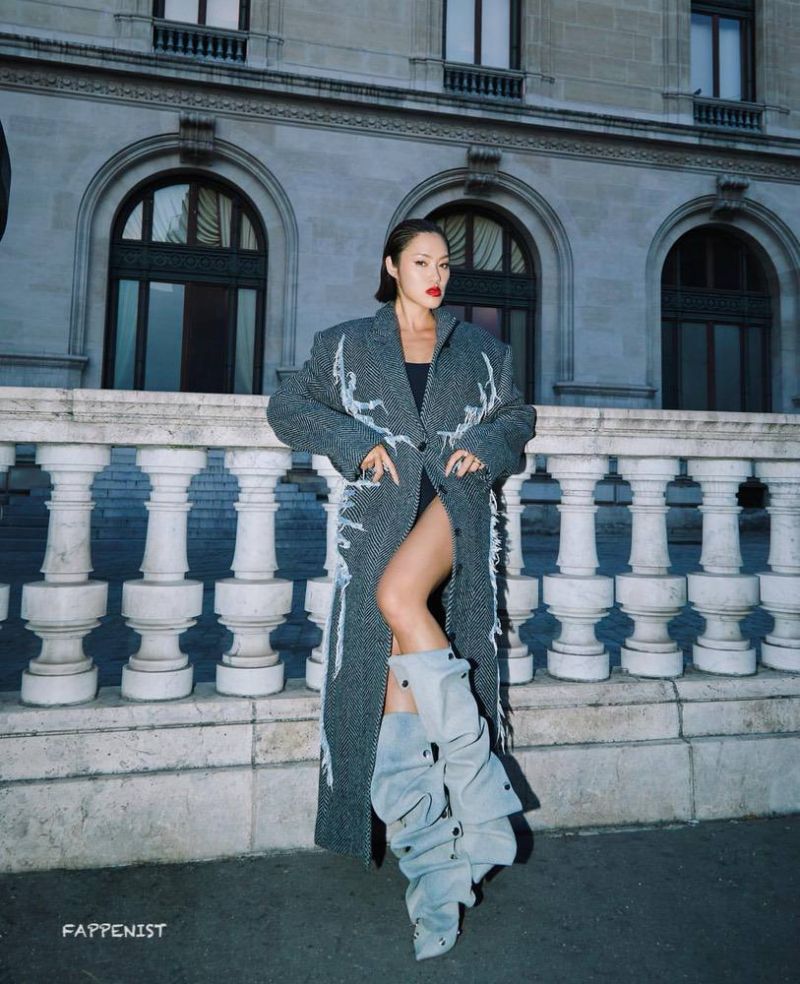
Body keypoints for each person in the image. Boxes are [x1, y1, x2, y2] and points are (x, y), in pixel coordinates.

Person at [266, 218, 536, 960]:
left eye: (443, 264)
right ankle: (438, 878)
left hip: (453, 505)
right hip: (380, 522)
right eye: (421, 262)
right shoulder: (345, 344)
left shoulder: (483, 350)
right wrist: (355, 442)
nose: (435, 275)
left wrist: (487, 443)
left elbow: (517, 415)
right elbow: (289, 406)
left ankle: (479, 800)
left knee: (398, 599)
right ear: (391, 266)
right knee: (395, 698)